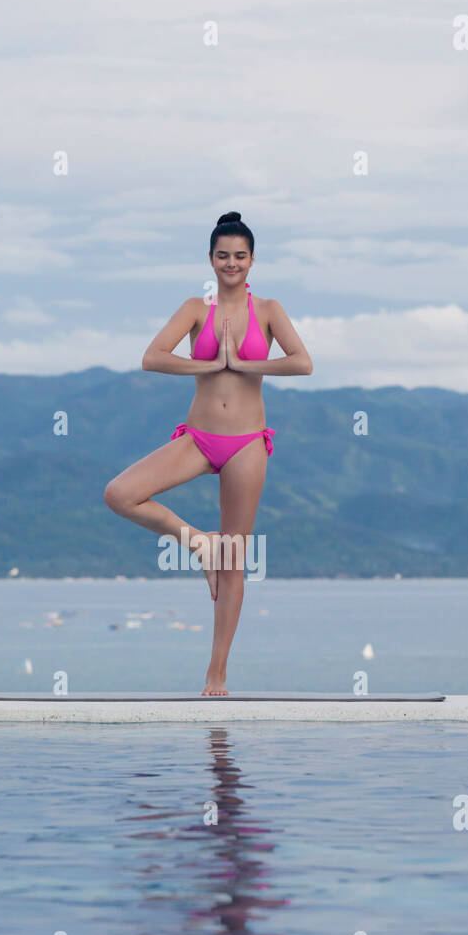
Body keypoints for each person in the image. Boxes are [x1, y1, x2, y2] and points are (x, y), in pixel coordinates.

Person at [104, 211, 312, 696]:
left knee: (234, 558)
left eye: (240, 256)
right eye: (223, 256)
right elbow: (152, 357)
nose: (232, 263)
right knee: (121, 493)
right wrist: (206, 362)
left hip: (246, 443)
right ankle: (199, 542)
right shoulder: (196, 309)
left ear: (253, 260)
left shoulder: (269, 310)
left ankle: (216, 674)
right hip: (198, 437)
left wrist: (241, 362)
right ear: (211, 260)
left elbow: (302, 362)